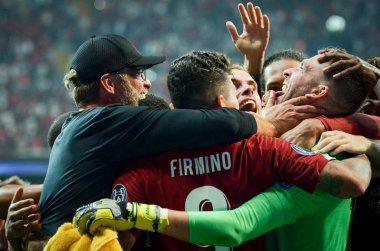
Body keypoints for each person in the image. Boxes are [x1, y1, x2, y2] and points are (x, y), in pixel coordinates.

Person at [73, 47, 376, 251]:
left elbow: (116, 240)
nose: (287, 75)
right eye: (238, 87)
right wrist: (358, 146)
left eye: (301, 69)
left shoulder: (142, 167)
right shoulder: (264, 150)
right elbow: (353, 180)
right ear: (224, 105)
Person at [36, 34, 267, 238]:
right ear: (108, 83)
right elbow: (220, 123)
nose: (146, 82)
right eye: (137, 73)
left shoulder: (78, 125)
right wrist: (277, 122)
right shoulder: (109, 120)